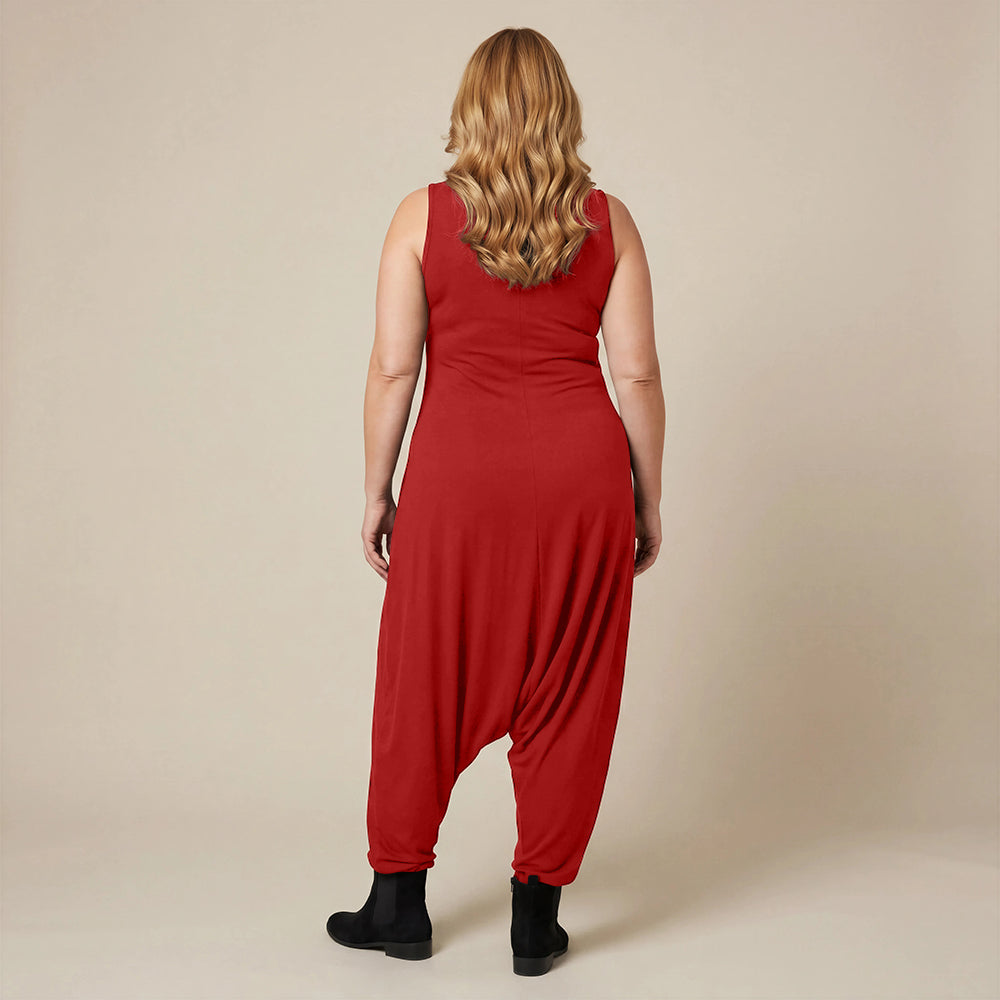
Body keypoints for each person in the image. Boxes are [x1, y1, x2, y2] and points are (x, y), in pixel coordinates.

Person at [326, 26, 664, 977]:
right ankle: (535, 921)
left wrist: (376, 490)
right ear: (562, 110)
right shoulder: (610, 222)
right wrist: (646, 498)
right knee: (571, 687)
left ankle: (398, 905)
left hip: (457, 480)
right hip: (583, 479)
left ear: (469, 109)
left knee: (422, 682)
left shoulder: (420, 217)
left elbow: (394, 368)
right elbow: (637, 375)